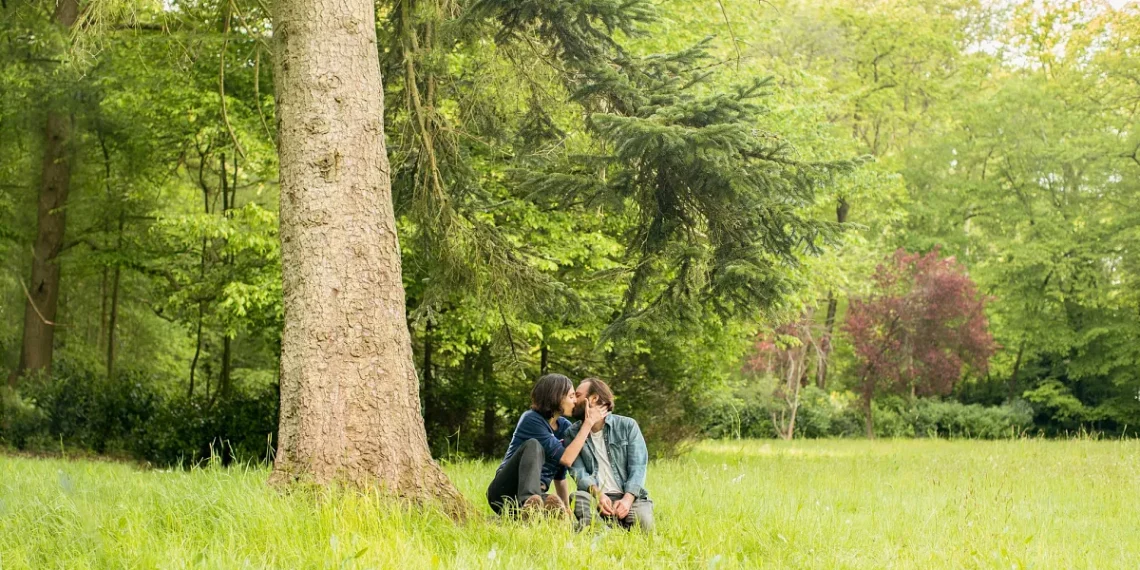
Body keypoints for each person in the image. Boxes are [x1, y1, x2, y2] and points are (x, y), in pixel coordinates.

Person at [486, 373, 608, 518]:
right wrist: (588, 423)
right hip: (504, 491)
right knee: (533, 445)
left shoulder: (564, 427)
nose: (575, 401)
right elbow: (566, 458)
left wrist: (567, 508)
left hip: (538, 493)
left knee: (553, 503)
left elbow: (560, 476)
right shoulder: (531, 419)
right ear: (556, 397)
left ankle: (536, 511)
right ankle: (529, 505)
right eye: (570, 396)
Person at [566, 378, 654, 532]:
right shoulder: (572, 434)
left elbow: (638, 467)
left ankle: (604, 528)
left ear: (593, 399)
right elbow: (578, 472)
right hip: (595, 497)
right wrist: (599, 496)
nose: (573, 401)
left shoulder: (627, 426)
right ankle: (605, 532)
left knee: (645, 527)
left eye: (577, 395)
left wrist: (627, 500)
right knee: (578, 497)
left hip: (630, 497)